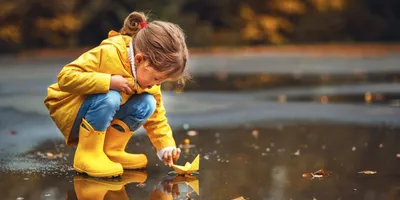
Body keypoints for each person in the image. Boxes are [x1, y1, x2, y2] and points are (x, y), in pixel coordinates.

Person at [44, 11, 188, 177]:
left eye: (162, 81)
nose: (158, 84)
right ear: (140, 60)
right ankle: (88, 154)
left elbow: (157, 116)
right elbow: (65, 78)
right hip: (71, 107)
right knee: (111, 96)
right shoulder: (109, 53)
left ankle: (111, 151)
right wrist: (108, 81)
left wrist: (166, 147)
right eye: (157, 78)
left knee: (148, 103)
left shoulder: (147, 78)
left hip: (99, 109)